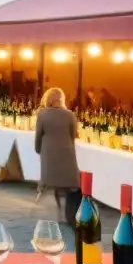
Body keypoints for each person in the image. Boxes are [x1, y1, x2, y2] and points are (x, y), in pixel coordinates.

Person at [34, 87, 81, 226]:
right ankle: (70, 215)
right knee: (72, 185)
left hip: (48, 153)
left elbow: (38, 136)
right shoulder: (70, 115)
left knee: (51, 181)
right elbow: (73, 135)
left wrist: (38, 150)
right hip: (66, 154)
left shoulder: (42, 115)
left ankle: (56, 213)